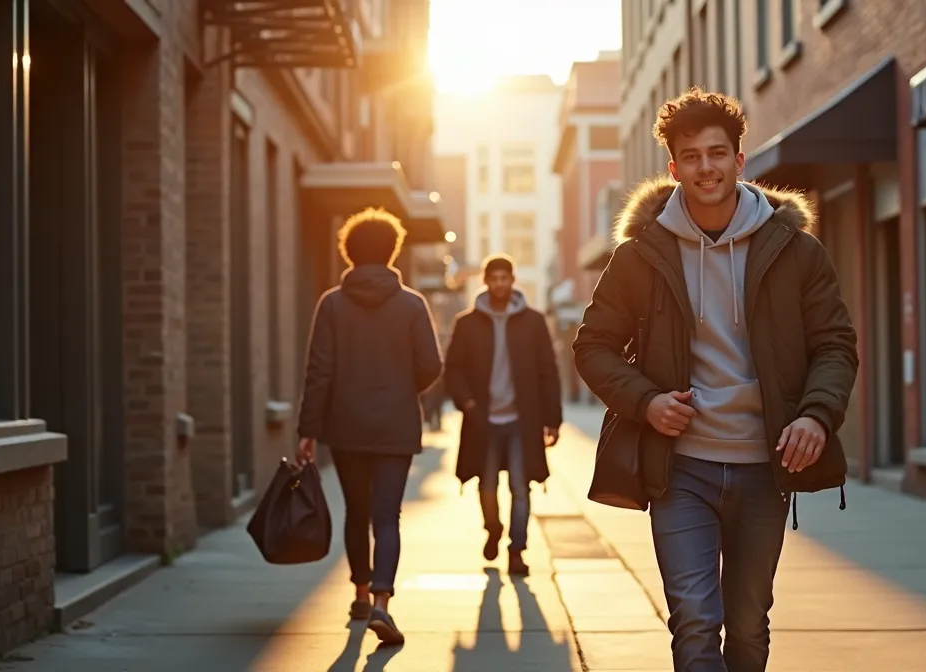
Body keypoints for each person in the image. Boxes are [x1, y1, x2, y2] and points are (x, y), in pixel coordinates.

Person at [572, 88, 859, 671]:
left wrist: (815, 415)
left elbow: (835, 344)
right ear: (674, 168)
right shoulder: (640, 257)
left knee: (748, 625)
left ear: (739, 160)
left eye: (717, 153)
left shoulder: (797, 252)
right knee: (696, 620)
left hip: (763, 466)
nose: (706, 167)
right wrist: (646, 402)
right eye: (692, 156)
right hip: (680, 468)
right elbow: (593, 347)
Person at [296, 207, 443, 646]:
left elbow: (318, 371)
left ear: (349, 251)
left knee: (356, 512)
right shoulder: (412, 304)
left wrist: (308, 429)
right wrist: (403, 389)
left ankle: (359, 594)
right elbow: (431, 365)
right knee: (387, 515)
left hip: (346, 426)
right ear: (393, 250)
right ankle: (382, 602)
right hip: (396, 425)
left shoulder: (331, 304)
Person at [444, 254, 563, 577]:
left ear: (512, 281)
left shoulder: (533, 322)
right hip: (483, 421)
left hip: (522, 422)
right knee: (486, 486)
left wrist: (552, 420)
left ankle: (516, 550)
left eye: (504, 278)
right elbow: (453, 369)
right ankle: (493, 529)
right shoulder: (467, 323)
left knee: (520, 488)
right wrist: (468, 404)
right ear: (485, 281)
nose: (499, 284)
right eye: (493, 279)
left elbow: (548, 372)